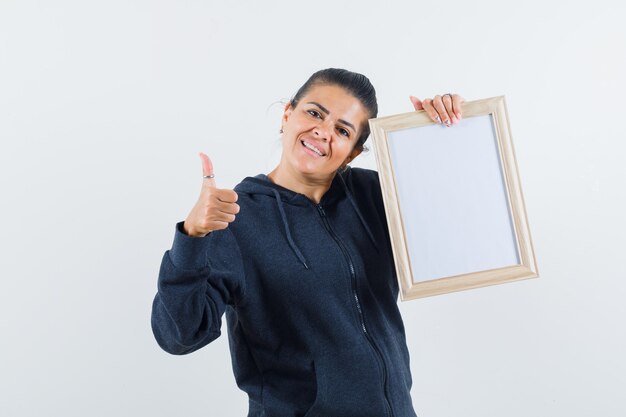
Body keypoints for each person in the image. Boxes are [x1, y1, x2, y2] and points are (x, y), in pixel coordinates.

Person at [151, 68, 464, 417]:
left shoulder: (376, 195)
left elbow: (453, 231)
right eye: (315, 113)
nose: (322, 132)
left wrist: (439, 134)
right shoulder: (235, 217)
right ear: (287, 114)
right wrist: (192, 236)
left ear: (353, 154)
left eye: (342, 130)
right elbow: (178, 334)